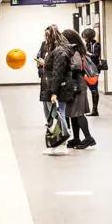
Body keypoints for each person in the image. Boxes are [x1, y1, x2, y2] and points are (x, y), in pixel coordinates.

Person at [62, 29, 96, 149]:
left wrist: (64, 66)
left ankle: (88, 138)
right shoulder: (75, 50)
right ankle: (76, 138)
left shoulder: (75, 51)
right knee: (73, 113)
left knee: (78, 113)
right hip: (75, 83)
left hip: (78, 84)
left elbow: (76, 66)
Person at [43, 28, 74, 156]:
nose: (45, 39)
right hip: (51, 87)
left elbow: (58, 73)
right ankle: (56, 142)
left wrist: (54, 92)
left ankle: (62, 142)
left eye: (47, 36)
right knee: (53, 116)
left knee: (58, 115)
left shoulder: (59, 52)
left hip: (57, 89)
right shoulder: (55, 51)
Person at [82, 28, 102, 116]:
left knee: (94, 89)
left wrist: (86, 53)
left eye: (85, 37)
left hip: (93, 69)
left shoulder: (96, 45)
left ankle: (95, 109)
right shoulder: (86, 45)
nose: (84, 39)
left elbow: (96, 56)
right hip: (86, 69)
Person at [37, 26, 55, 121]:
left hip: (53, 77)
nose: (46, 36)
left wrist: (46, 63)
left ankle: (55, 123)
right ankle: (49, 122)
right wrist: (40, 68)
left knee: (51, 101)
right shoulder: (44, 44)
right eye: (45, 34)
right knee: (45, 100)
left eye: (48, 34)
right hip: (45, 76)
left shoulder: (57, 47)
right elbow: (39, 55)